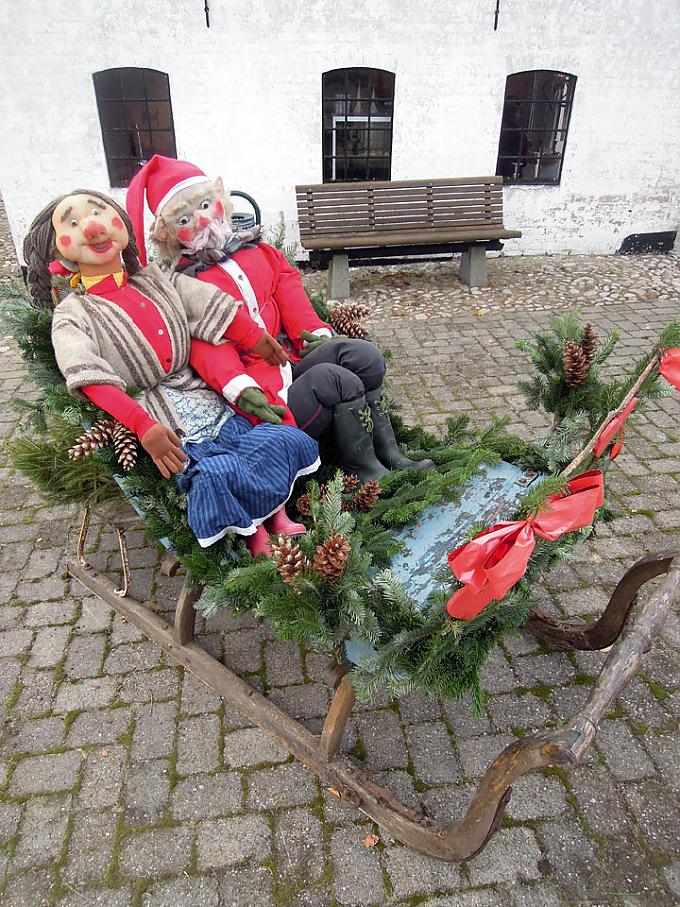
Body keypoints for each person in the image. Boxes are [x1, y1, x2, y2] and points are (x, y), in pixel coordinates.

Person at [24, 190, 319, 554]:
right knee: (215, 472)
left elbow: (206, 304)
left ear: (121, 223)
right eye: (72, 222)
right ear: (58, 249)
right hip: (166, 418)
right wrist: (142, 425)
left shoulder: (157, 279)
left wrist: (254, 337)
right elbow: (90, 376)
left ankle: (278, 515)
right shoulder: (73, 315)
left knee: (271, 440)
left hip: (205, 398)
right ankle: (253, 533)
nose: (93, 227)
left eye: (99, 212)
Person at [126, 156, 434, 482]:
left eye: (206, 205)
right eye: (186, 219)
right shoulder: (186, 287)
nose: (202, 221)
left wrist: (314, 333)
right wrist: (240, 389)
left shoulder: (258, 253)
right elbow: (206, 344)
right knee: (334, 380)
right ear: (169, 233)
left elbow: (290, 294)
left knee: (364, 357)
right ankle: (363, 471)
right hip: (264, 392)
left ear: (219, 199)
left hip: (293, 358)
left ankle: (390, 453)